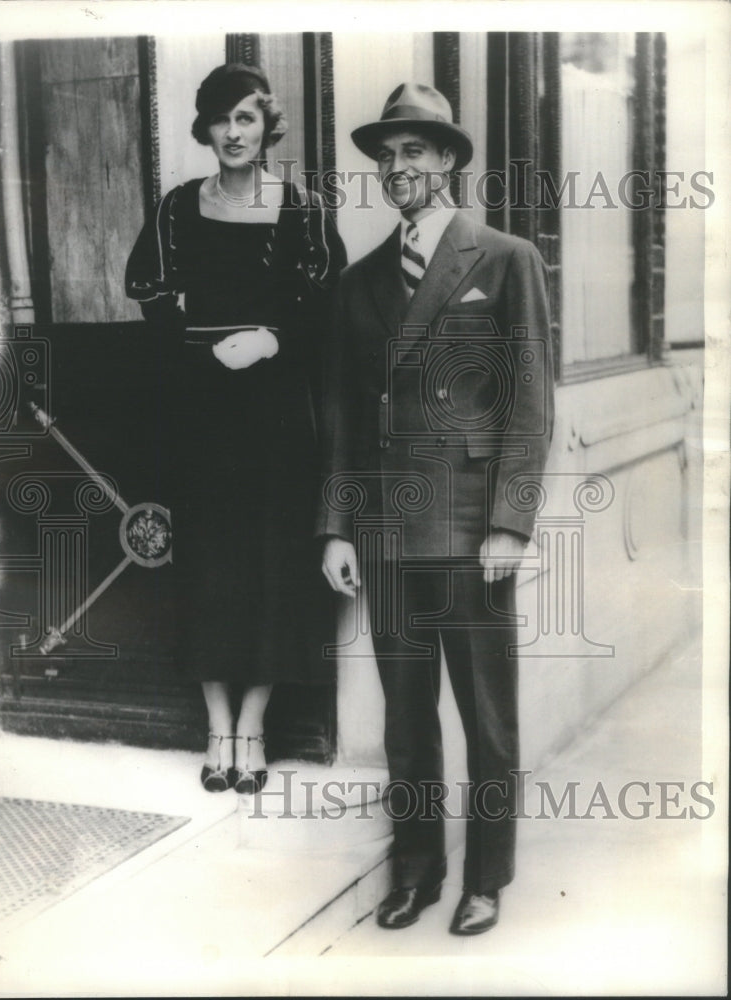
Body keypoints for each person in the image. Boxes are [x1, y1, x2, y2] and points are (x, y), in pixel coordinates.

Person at [318, 83, 554, 934]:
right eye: (386, 155)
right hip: (385, 533)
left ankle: (486, 879)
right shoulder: (359, 282)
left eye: (414, 151)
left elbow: (529, 402)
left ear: (448, 159)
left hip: (467, 530)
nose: (396, 167)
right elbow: (345, 415)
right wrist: (339, 524)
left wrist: (509, 521)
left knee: (488, 717)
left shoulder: (503, 258)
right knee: (407, 716)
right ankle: (416, 871)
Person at [126, 63, 346, 795]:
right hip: (201, 412)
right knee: (210, 567)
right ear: (206, 126)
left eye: (247, 118)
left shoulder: (303, 210)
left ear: (266, 125)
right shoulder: (179, 208)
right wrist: (194, 336)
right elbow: (145, 286)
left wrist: (273, 339)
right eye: (221, 118)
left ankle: (253, 726)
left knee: (272, 568)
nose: (233, 132)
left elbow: (327, 304)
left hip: (277, 416)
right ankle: (216, 727)